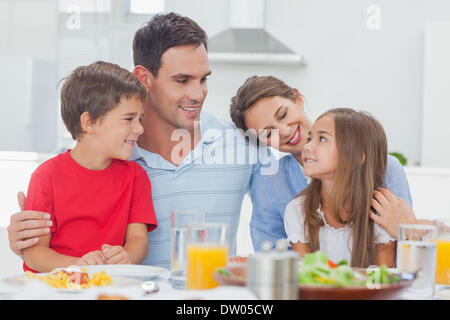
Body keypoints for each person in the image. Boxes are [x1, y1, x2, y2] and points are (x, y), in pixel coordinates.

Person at [7, 13, 267, 270]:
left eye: (203, 79)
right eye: (182, 80)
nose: (198, 94)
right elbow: (47, 238)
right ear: (144, 78)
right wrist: (26, 238)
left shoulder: (240, 145)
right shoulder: (112, 151)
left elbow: (292, 203)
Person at [230, 75, 414, 251]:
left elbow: (403, 254)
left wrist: (409, 228)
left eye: (283, 115)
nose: (284, 131)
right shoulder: (270, 182)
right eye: (268, 134)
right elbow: (270, 256)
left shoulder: (384, 166)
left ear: (298, 100)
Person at [21, 61, 158, 272]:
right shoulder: (47, 176)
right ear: (90, 123)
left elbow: (138, 240)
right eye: (129, 119)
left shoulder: (135, 176)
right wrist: (77, 265)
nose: (139, 128)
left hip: (110, 287)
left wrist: (126, 256)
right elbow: (34, 253)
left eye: (140, 118)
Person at [284, 108, 395, 267]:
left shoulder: (380, 213)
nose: (307, 147)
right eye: (309, 139)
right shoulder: (297, 210)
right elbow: (307, 278)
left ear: (355, 157)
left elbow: (378, 282)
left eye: (322, 139)